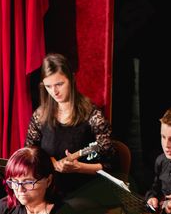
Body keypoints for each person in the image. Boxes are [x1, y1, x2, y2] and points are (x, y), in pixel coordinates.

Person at [25, 53, 114, 193]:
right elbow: (30, 152)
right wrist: (50, 160)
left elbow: (111, 166)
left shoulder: (92, 115)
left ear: (72, 79)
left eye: (59, 84)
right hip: (48, 188)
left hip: (84, 190)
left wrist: (79, 168)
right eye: (48, 86)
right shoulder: (40, 115)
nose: (54, 92)